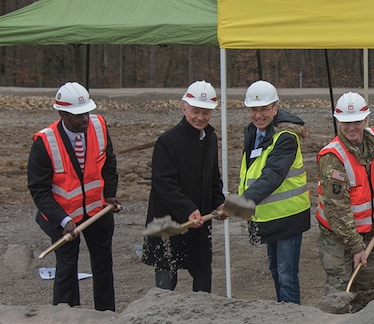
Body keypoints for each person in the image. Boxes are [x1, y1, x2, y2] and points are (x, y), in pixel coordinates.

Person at [27, 82, 121, 311]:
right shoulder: (44, 142)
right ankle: (66, 320)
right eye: (78, 115)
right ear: (62, 113)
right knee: (66, 269)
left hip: (98, 211)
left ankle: (106, 314)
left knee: (103, 266)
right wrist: (64, 220)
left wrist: (109, 195)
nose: (84, 119)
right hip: (64, 218)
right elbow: (39, 190)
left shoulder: (99, 126)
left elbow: (108, 163)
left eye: (86, 113)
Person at [141, 81, 225, 292]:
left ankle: (203, 314)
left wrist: (219, 203)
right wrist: (187, 209)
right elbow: (164, 183)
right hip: (168, 220)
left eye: (206, 113)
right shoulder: (168, 142)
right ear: (184, 108)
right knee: (166, 278)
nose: (200, 117)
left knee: (203, 272)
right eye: (195, 111)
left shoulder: (210, 139)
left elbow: (214, 178)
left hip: (199, 222)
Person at [316, 92, 374, 312]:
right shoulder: (333, 157)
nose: (351, 127)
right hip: (337, 236)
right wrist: (356, 247)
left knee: (364, 289)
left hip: (367, 229)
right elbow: (337, 209)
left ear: (366, 120)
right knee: (339, 289)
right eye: (346, 123)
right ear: (338, 122)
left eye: (357, 122)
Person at [238, 80, 311, 304]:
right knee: (276, 271)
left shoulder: (286, 138)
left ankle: (291, 319)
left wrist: (239, 204)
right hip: (268, 215)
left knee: (287, 275)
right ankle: (282, 314)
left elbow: (272, 175)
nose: (258, 115)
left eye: (264, 109)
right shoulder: (253, 132)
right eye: (254, 109)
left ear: (275, 109)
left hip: (288, 216)